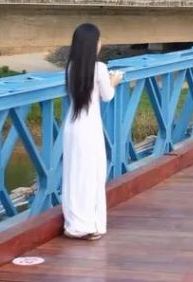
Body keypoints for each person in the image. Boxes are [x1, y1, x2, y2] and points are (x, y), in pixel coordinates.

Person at [62, 23, 124, 240]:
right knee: (92, 174)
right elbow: (107, 96)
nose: (100, 43)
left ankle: (73, 223)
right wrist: (113, 81)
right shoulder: (99, 68)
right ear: (92, 45)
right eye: (98, 40)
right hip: (89, 128)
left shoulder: (71, 67)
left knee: (74, 174)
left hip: (72, 126)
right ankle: (88, 225)